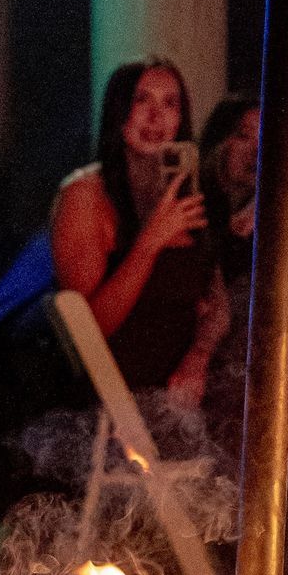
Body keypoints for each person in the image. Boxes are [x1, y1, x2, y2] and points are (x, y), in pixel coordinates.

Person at [193, 91, 288, 575]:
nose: (256, 150)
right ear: (215, 145)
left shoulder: (283, 215)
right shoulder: (194, 212)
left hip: (278, 362)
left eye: (268, 139)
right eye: (242, 136)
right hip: (223, 372)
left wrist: (287, 218)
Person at [49, 57, 218, 399]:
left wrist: (198, 358)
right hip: (120, 399)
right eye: (142, 101)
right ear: (118, 111)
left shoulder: (187, 189)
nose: (156, 117)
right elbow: (88, 333)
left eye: (170, 104)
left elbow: (216, 303)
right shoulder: (85, 194)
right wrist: (149, 243)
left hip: (189, 381)